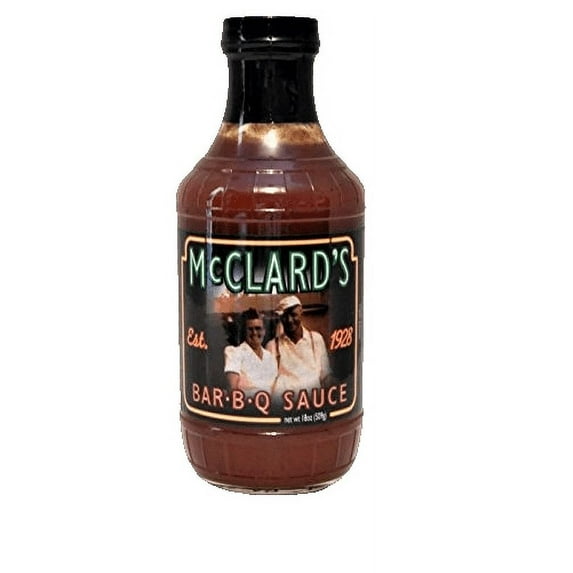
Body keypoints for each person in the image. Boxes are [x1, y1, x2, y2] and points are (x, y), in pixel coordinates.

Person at [265, 295, 330, 396]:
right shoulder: (272, 346)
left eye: (293, 314)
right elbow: (267, 383)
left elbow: (325, 376)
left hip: (312, 400)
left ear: (301, 313)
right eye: (285, 316)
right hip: (283, 402)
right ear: (280, 318)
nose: (289, 320)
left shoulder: (316, 339)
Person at [224, 308, 278, 397]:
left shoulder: (270, 357)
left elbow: (274, 389)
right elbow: (232, 389)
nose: (254, 333)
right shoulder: (234, 353)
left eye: (258, 328)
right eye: (250, 329)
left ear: (264, 331)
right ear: (244, 331)